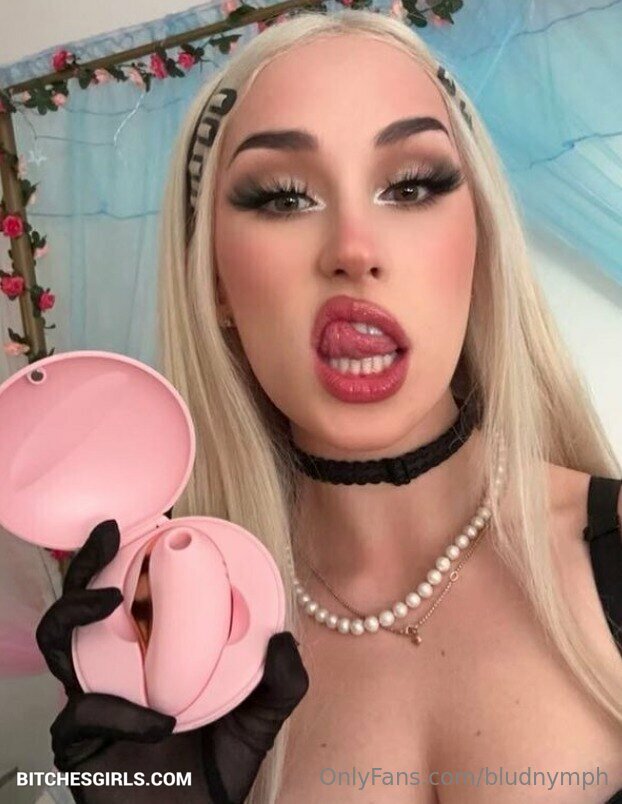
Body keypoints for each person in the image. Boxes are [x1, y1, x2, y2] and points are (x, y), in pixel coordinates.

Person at [36, 7, 622, 803]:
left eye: (410, 186)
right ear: (215, 281)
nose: (352, 249)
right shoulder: (171, 652)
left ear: (479, 242)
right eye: (283, 198)